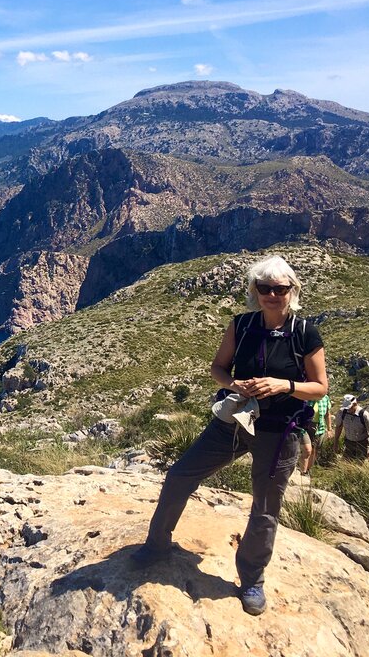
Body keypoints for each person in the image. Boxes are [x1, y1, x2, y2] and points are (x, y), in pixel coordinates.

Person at [131, 255, 328, 616]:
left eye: (280, 288)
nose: (272, 294)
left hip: (278, 432)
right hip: (234, 422)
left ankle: (252, 579)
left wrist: (283, 385)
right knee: (180, 475)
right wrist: (234, 384)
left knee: (265, 508)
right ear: (255, 290)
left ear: (292, 291)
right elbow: (218, 368)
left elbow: (319, 387)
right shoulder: (242, 325)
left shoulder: (305, 333)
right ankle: (157, 545)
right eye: (264, 287)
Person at [333, 394, 369, 461]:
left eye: (350, 407)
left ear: (355, 404)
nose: (348, 409)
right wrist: (336, 443)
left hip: (362, 444)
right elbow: (339, 427)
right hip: (348, 443)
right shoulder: (342, 412)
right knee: (347, 463)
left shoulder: (364, 415)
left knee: (360, 463)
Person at [302, 393, 332, 472]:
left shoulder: (325, 398)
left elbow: (327, 414)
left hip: (320, 427)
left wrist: (329, 429)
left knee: (315, 449)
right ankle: (303, 471)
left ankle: (308, 469)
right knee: (308, 449)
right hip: (307, 427)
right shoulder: (307, 397)